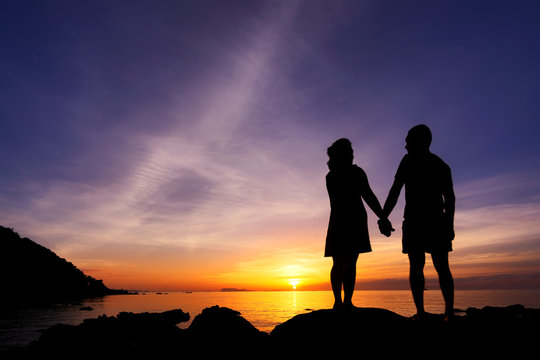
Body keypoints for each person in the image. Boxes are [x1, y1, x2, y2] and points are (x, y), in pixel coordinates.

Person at [381, 124, 455, 319]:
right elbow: (395, 191)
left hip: (430, 222)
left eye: (408, 141)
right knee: (424, 266)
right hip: (421, 222)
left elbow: (450, 198)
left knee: (435, 266)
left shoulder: (435, 165)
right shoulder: (430, 164)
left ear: (418, 141)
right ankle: (427, 312)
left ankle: (442, 311)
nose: (405, 145)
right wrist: (383, 216)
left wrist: (449, 225)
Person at [325, 138, 392, 310]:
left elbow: (367, 196)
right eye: (350, 151)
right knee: (348, 262)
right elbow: (368, 196)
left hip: (339, 220)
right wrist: (382, 217)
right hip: (353, 219)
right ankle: (345, 302)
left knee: (338, 261)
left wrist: (383, 217)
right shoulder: (355, 173)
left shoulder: (331, 175)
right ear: (344, 154)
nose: (354, 154)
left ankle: (339, 302)